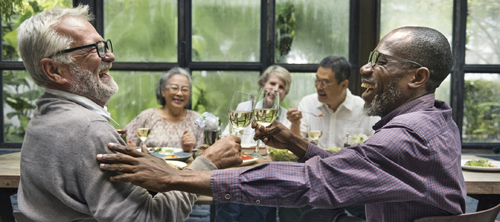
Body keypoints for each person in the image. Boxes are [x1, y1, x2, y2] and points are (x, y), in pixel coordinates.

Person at [97, 26, 467, 222]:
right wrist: (297, 144)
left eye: (381, 61)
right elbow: (359, 168)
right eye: (370, 58)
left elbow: (312, 182)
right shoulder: (437, 119)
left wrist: (174, 177)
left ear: (417, 77)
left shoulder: (407, 138)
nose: (366, 68)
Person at [16, 5, 242, 222]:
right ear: (54, 70)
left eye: (104, 45)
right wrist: (207, 162)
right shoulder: (89, 128)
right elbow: (150, 217)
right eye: (94, 49)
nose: (111, 56)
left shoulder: (43, 117)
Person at [218, 65, 292, 222]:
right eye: (272, 83)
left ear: (285, 93)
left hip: (265, 175)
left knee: (253, 208)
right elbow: (227, 136)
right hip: (238, 170)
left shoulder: (285, 116)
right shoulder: (244, 108)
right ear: (263, 84)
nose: (275, 89)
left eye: (281, 87)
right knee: (228, 204)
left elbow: (285, 152)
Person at [287, 56, 380, 150]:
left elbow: (376, 148)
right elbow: (295, 148)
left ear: (344, 85)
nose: (318, 87)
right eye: (317, 80)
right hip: (313, 163)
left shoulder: (364, 109)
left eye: (324, 83)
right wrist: (295, 123)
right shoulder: (307, 104)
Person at [124, 67, 202, 152]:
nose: (180, 93)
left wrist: (189, 150)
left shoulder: (197, 120)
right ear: (163, 91)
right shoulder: (147, 116)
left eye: (185, 89)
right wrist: (129, 147)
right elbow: (123, 141)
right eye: (174, 88)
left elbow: (204, 155)